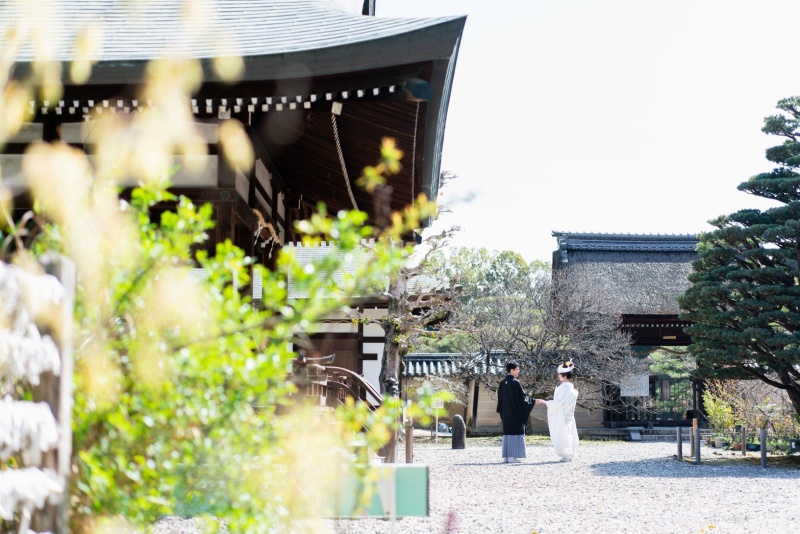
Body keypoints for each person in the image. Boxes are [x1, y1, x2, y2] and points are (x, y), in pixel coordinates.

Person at [535, 361, 579, 462]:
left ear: (564, 376)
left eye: (559, 374)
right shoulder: (572, 390)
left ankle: (567, 454)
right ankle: (569, 454)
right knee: (568, 432)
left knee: (564, 433)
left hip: (561, 414)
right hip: (568, 414)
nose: (558, 376)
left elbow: (558, 403)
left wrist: (545, 402)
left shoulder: (564, 389)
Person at [496, 361, 535, 463]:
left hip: (505, 413)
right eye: (517, 369)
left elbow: (500, 400)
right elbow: (522, 399)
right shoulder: (515, 382)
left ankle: (506, 456)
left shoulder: (502, 383)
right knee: (515, 431)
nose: (519, 371)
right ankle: (513, 456)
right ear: (512, 370)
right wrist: (533, 401)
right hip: (515, 413)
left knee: (507, 432)